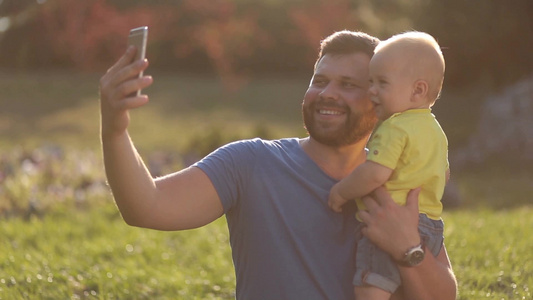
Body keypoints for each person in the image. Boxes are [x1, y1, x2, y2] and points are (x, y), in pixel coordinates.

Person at [99, 29, 457, 299]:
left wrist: (408, 249)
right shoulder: (251, 163)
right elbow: (146, 207)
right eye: (320, 80)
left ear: (380, 98)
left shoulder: (399, 185)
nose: (328, 92)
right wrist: (115, 130)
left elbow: (444, 295)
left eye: (350, 84)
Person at [326, 32, 449, 299]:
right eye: (370, 82)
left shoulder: (394, 127)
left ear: (418, 90)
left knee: (370, 286)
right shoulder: (435, 130)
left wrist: (341, 191)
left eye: (381, 83)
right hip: (429, 226)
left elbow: (374, 174)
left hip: (387, 220)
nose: (372, 91)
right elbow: (444, 174)